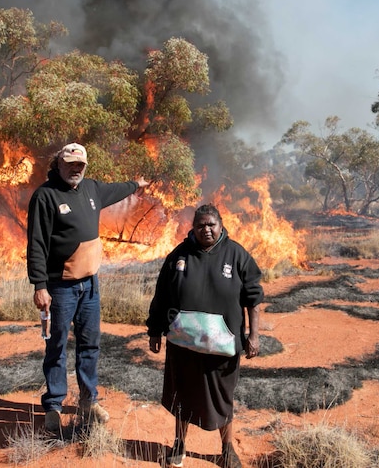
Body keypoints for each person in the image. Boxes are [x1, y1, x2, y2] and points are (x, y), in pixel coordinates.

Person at [27, 142, 148, 436]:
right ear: (59, 164)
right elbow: (37, 244)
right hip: (60, 287)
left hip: (90, 286)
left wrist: (136, 184)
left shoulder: (92, 188)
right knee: (56, 346)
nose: (75, 170)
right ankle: (53, 406)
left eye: (80, 165)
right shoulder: (45, 196)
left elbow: (116, 189)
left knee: (90, 344)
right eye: (70, 165)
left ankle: (87, 401)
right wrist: (39, 286)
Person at [146, 204, 264, 468]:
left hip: (223, 344)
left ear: (221, 225)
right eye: (200, 225)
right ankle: (179, 445)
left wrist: (253, 336)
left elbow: (253, 298)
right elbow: (161, 295)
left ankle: (227, 448)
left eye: (211, 224)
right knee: (181, 395)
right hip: (182, 342)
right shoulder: (179, 255)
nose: (206, 230)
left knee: (224, 396)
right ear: (193, 227)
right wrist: (154, 329)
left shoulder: (237, 255)